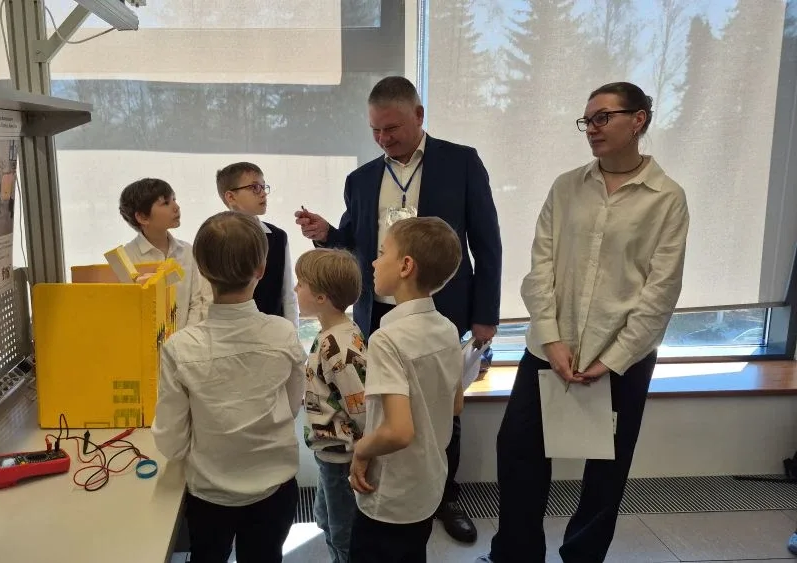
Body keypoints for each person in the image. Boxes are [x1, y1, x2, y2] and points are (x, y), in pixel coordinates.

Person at [481, 82, 689, 563]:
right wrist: (552, 340)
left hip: (622, 358)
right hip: (548, 350)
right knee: (518, 451)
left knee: (606, 470)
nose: (591, 128)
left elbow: (661, 291)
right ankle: (515, 554)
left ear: (638, 120)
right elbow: (540, 270)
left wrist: (613, 359)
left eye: (602, 117)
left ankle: (583, 556)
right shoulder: (566, 187)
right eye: (587, 120)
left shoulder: (666, 198)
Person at [295, 75, 502, 543]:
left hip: (441, 309)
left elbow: (487, 243)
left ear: (419, 116)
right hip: (378, 317)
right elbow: (355, 244)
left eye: (392, 128)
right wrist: (327, 234)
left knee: (442, 406)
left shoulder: (461, 163)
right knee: (384, 406)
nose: (384, 138)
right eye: (375, 130)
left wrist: (486, 314)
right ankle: (387, 483)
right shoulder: (361, 179)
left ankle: (443, 495)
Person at [152, 211, 307, 563]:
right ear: (261, 269)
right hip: (274, 488)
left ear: (202, 271)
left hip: (210, 493)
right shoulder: (283, 334)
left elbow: (172, 439)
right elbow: (291, 405)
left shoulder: (180, 347)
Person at [348, 216, 465, 562]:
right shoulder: (447, 328)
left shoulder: (387, 339)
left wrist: (361, 451)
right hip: (427, 486)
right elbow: (456, 405)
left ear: (405, 266)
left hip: (390, 494)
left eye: (382, 253)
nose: (373, 262)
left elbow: (398, 432)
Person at [296, 248, 367, 563]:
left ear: (321, 297)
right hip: (329, 455)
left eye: (301, 283)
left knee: (343, 534)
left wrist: (363, 452)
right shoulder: (330, 334)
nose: (295, 288)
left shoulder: (337, 345)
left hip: (343, 459)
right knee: (326, 520)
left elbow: (360, 406)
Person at [119, 178, 211, 328]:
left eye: (174, 199)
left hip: (188, 338)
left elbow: (197, 301)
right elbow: (127, 311)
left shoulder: (188, 251)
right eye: (166, 203)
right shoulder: (125, 258)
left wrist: (186, 337)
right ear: (142, 217)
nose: (176, 207)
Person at [217, 162, 298, 327]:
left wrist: (292, 331)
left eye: (263, 187)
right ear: (231, 197)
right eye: (254, 188)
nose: (263, 193)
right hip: (229, 330)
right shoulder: (217, 237)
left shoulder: (278, 237)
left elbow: (288, 294)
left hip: (273, 331)